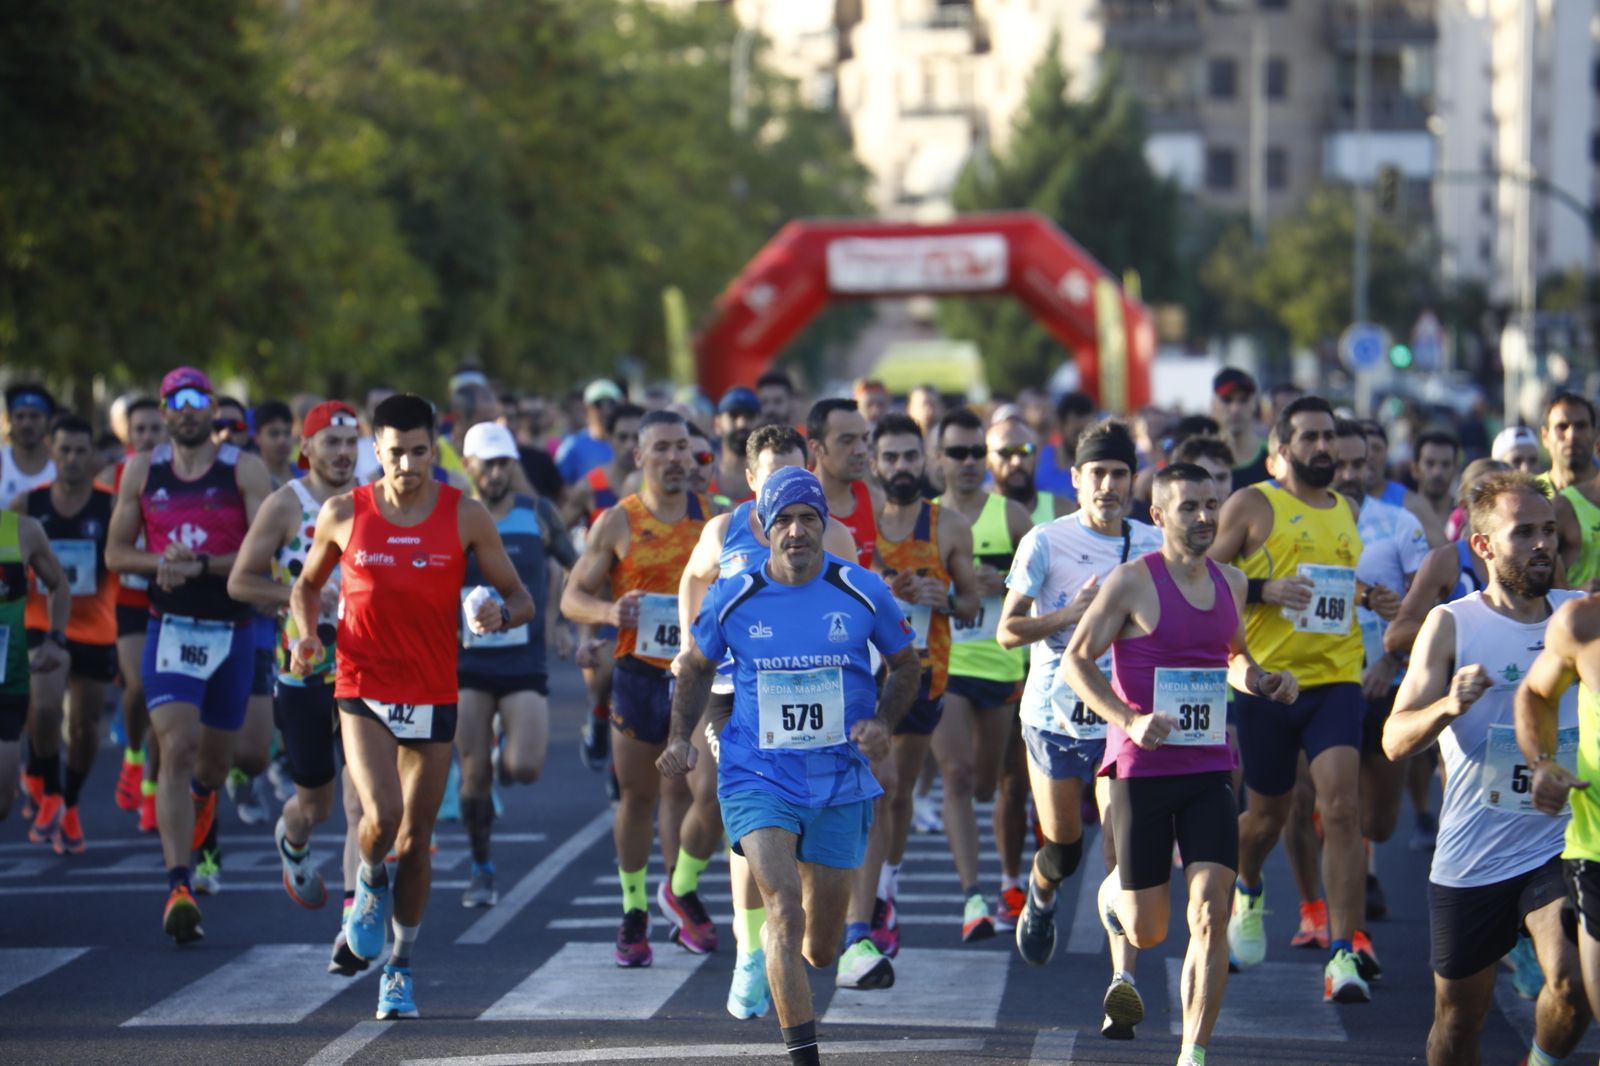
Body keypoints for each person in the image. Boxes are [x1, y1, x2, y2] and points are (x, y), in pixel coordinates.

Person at [659, 466, 923, 1066]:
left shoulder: (861, 590)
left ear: (824, 526)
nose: (797, 531)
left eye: (809, 519)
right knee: (780, 905)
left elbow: (908, 664)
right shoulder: (736, 595)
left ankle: (802, 969)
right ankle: (803, 1056)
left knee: (821, 946)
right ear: (764, 526)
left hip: (840, 777)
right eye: (784, 520)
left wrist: (882, 722)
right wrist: (681, 736)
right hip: (757, 774)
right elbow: (697, 666)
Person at [288, 392, 533, 1020]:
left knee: (417, 840)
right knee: (381, 818)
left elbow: (520, 599)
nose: (407, 465)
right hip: (362, 686)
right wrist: (308, 634)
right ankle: (368, 880)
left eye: (419, 452)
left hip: (432, 690)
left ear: (434, 450)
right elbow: (307, 587)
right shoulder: (345, 513)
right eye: (395, 453)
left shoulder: (465, 515)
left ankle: (398, 967)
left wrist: (494, 613)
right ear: (377, 451)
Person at [1063, 463, 1298, 1066]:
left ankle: (1193, 1052)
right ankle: (1115, 894)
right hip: (1143, 767)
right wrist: (1129, 719)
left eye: (1211, 505)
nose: (1203, 517)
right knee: (1147, 931)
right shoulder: (1130, 583)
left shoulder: (1232, 582)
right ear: (1159, 516)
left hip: (1208, 768)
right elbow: (1077, 661)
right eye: (1189, 506)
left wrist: (1262, 680)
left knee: (1211, 910)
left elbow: (1233, 657)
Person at [1386, 471, 1591, 1066]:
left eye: (1549, 531)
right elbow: (1395, 741)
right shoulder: (1453, 624)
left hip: (1560, 842)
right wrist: (1447, 705)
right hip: (1475, 853)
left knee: (1572, 986)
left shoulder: (1577, 616)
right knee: (1457, 1026)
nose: (1542, 545)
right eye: (1524, 532)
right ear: (1483, 546)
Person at [1208, 394, 1395, 1002]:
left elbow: (1330, 584)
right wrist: (1263, 588)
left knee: (1341, 809)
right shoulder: (1253, 504)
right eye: (1310, 437)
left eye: (1329, 437)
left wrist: (1369, 597)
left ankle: (1342, 952)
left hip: (1335, 678)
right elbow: (1204, 577)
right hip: (1268, 685)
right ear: (1280, 450)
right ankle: (1250, 886)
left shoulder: (1343, 508)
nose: (1324, 447)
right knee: (1265, 820)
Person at [674, 423, 861, 1017]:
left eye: (794, 472)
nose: (784, 487)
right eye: (771, 476)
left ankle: (786, 929)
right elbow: (693, 577)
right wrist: (690, 640)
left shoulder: (833, 535)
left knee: (804, 838)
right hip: (735, 692)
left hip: (812, 693)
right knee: (741, 798)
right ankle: (748, 947)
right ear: (750, 480)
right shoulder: (723, 530)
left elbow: (858, 608)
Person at [999, 420, 1163, 1039]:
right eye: (1097, 473)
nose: (1109, 485)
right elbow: (1007, 630)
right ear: (1075, 480)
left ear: (1133, 480)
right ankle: (1042, 893)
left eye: (1120, 474)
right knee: (1065, 848)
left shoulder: (1152, 542)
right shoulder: (1045, 542)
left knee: (1122, 850)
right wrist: (1068, 616)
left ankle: (1123, 982)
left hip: (1120, 720)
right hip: (1053, 716)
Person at [106, 366, 273, 942]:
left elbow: (267, 550)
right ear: (163, 411)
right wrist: (163, 564)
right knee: (176, 747)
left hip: (233, 629)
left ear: (211, 411)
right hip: (169, 627)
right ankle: (178, 884)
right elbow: (116, 554)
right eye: (175, 401)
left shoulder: (243, 470)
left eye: (198, 399)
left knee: (217, 764)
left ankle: (205, 810)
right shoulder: (141, 472)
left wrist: (202, 566)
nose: (187, 410)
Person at [560, 409, 711, 967]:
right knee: (640, 798)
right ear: (640, 457)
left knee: (705, 792)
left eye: (684, 448)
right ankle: (634, 911)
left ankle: (683, 889)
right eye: (663, 448)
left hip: (696, 674)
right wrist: (608, 609)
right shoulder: (619, 521)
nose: (676, 458)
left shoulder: (714, 519)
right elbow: (571, 597)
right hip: (638, 676)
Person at [1281, 421, 1424, 947]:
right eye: (1341, 464)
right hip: (1311, 680)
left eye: (1361, 464)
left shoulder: (1398, 524)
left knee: (1379, 823)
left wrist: (1391, 659)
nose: (1351, 474)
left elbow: (1427, 600)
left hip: (1385, 683)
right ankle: (1317, 910)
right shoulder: (1288, 519)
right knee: (1305, 801)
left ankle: (1345, 845)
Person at [227, 402, 362, 933]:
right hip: (304, 669)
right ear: (306, 449)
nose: (344, 453)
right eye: (332, 442)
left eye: (352, 442)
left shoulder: (372, 502)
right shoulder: (286, 505)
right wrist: (298, 595)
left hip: (365, 669)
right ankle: (293, 838)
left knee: (363, 803)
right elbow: (240, 581)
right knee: (317, 804)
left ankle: (357, 912)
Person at [862, 412, 979, 960]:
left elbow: (973, 605)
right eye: (891, 458)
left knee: (897, 791)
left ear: (926, 460)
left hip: (922, 674)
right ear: (874, 462)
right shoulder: (855, 526)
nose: (902, 467)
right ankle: (866, 894)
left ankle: (886, 889)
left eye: (911, 456)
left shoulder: (948, 525)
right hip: (861, 674)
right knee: (874, 788)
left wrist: (945, 599)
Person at [454, 421, 576, 907]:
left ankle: (506, 750)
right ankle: (482, 866)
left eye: (505, 462)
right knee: (473, 771)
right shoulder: (452, 517)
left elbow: (577, 565)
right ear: (469, 466)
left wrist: (564, 620)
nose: (498, 472)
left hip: (523, 658)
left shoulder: (538, 513)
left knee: (524, 767)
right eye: (489, 463)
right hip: (466, 663)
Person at [933, 408, 1034, 931]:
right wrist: (946, 590)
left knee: (990, 786)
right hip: (946, 663)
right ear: (940, 459)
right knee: (957, 773)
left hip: (1000, 663)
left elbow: (1047, 587)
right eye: (958, 453)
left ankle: (1008, 879)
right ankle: (973, 898)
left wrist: (1009, 587)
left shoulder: (1011, 516)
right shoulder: (927, 519)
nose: (969, 462)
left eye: (977, 452)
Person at [14, 416, 120, 854]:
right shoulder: (28, 504)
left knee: (84, 727)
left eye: (81, 451)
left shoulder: (108, 504)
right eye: (65, 451)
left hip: (96, 625)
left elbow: (125, 556)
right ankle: (50, 788)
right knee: (42, 709)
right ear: (51, 452)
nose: (73, 459)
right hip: (39, 622)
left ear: (92, 456)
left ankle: (70, 802)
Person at [111, 397, 168, 830]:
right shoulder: (113, 476)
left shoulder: (181, 475)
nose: (148, 437)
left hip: (169, 600)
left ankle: (151, 789)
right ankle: (133, 755)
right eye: (140, 430)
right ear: (127, 435)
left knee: (162, 704)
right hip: (130, 600)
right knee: (136, 689)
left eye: (155, 428)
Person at [0, 504, 71, 823]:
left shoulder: (23, 531)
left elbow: (58, 583)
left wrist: (55, 639)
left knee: (2, 803)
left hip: (6, 684)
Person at [806, 399, 880, 567]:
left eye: (864, 439)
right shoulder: (796, 505)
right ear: (816, 448)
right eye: (847, 441)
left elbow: (875, 568)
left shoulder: (876, 501)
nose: (861, 450)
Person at [1539, 392, 1600, 590]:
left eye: (1581, 426)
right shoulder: (1529, 497)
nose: (1572, 435)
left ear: (1594, 433)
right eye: (1562, 427)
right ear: (1545, 437)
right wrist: (1577, 594)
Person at [564, 403, 642, 529]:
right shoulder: (589, 487)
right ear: (609, 438)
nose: (630, 445)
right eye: (623, 437)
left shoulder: (658, 486)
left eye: (637, 437)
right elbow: (557, 533)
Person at [988, 416, 1071, 522]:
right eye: (1006, 452)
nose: (1017, 462)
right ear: (986, 459)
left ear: (1037, 456)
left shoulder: (1062, 513)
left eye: (1025, 450)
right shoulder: (971, 516)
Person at [556, 379, 623, 485]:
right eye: (598, 404)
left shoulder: (628, 443)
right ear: (586, 409)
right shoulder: (572, 446)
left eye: (611, 403)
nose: (606, 410)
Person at [1210, 369, 1269, 489]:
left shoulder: (1273, 456)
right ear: (1213, 404)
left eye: (1243, 400)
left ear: (1254, 403)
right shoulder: (1202, 459)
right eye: (1227, 400)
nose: (1235, 409)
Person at [0, 384, 58, 505]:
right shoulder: (2, 462)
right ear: (10, 420)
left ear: (48, 421)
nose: (26, 424)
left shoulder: (61, 465)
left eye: (34, 416)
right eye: (19, 416)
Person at [1034, 392, 1096, 501]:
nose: (1083, 441)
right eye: (1077, 432)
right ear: (1060, 425)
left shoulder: (1099, 467)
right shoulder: (1038, 461)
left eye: (1088, 433)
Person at [253, 401, 300, 486]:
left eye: (287, 433)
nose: (282, 441)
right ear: (257, 438)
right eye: (274, 433)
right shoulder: (248, 477)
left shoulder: (304, 474)